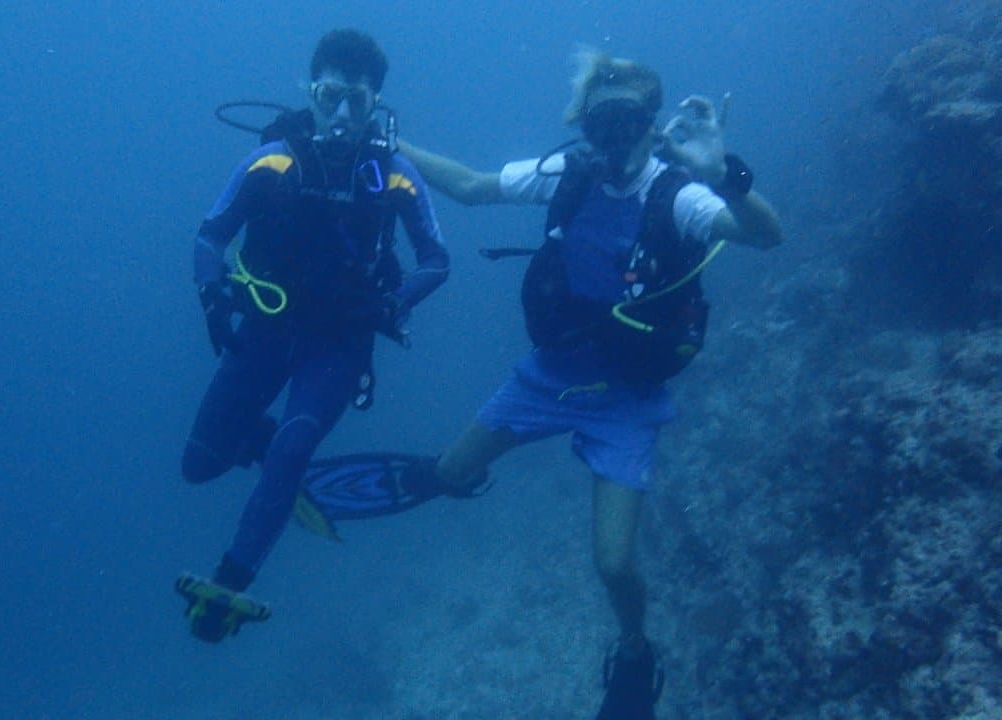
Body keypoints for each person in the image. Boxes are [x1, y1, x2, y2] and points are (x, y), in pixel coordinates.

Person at [299, 50, 782, 719]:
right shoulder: (569, 173)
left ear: (652, 127)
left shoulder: (679, 193)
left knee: (614, 566)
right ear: (585, 128)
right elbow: (472, 186)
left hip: (628, 396)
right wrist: (389, 143)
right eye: (599, 126)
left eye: (627, 124)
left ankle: (634, 653)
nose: (613, 142)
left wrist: (724, 173)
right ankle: (431, 472)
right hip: (551, 374)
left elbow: (765, 235)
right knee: (450, 473)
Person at [174, 28, 449, 644]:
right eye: (330, 97)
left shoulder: (394, 175)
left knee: (292, 451)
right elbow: (210, 236)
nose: (343, 114)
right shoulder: (273, 163)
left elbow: (437, 259)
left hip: (339, 346)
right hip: (263, 333)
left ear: (375, 104)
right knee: (198, 465)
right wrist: (211, 296)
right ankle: (263, 445)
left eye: (358, 100)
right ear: (311, 93)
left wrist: (394, 304)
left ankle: (232, 580)